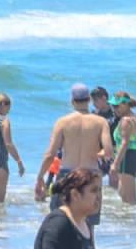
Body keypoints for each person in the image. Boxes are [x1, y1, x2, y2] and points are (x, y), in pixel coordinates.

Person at [34, 84, 113, 229]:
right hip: (91, 175)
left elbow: (50, 154)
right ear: (89, 100)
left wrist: (40, 177)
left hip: (67, 175)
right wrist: (97, 153)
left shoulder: (62, 122)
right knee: (88, 227)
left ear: (72, 101)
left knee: (62, 224)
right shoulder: (101, 122)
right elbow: (108, 152)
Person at [108, 92, 136, 204]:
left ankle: (133, 215)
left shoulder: (125, 121)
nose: (114, 109)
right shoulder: (134, 117)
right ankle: (129, 215)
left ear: (126, 104)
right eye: (112, 106)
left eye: (117, 106)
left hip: (127, 157)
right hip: (134, 155)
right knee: (123, 194)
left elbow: (124, 143)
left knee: (129, 198)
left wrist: (115, 164)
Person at [91, 86, 117, 188]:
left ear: (104, 98)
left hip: (114, 151)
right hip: (99, 152)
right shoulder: (94, 114)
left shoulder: (116, 113)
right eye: (92, 100)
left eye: (95, 100)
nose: (93, 103)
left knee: (114, 182)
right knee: (95, 182)